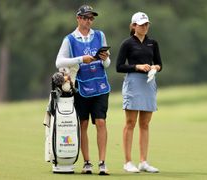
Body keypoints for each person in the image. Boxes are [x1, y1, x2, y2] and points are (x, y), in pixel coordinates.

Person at [55, 4, 111, 175]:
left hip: (100, 85)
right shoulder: (69, 39)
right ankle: (87, 163)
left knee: (101, 122)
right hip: (80, 85)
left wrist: (105, 58)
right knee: (83, 124)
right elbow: (59, 62)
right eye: (85, 17)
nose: (89, 21)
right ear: (78, 18)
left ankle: (102, 163)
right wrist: (80, 59)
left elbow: (107, 64)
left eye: (91, 18)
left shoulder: (100, 35)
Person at [116, 12, 162, 173]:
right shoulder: (127, 43)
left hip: (149, 83)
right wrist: (137, 66)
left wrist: (155, 67)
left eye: (146, 24)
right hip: (133, 83)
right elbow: (119, 66)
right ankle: (128, 161)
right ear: (134, 26)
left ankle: (143, 161)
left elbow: (159, 63)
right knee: (130, 123)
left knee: (145, 124)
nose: (145, 27)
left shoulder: (153, 43)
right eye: (141, 24)